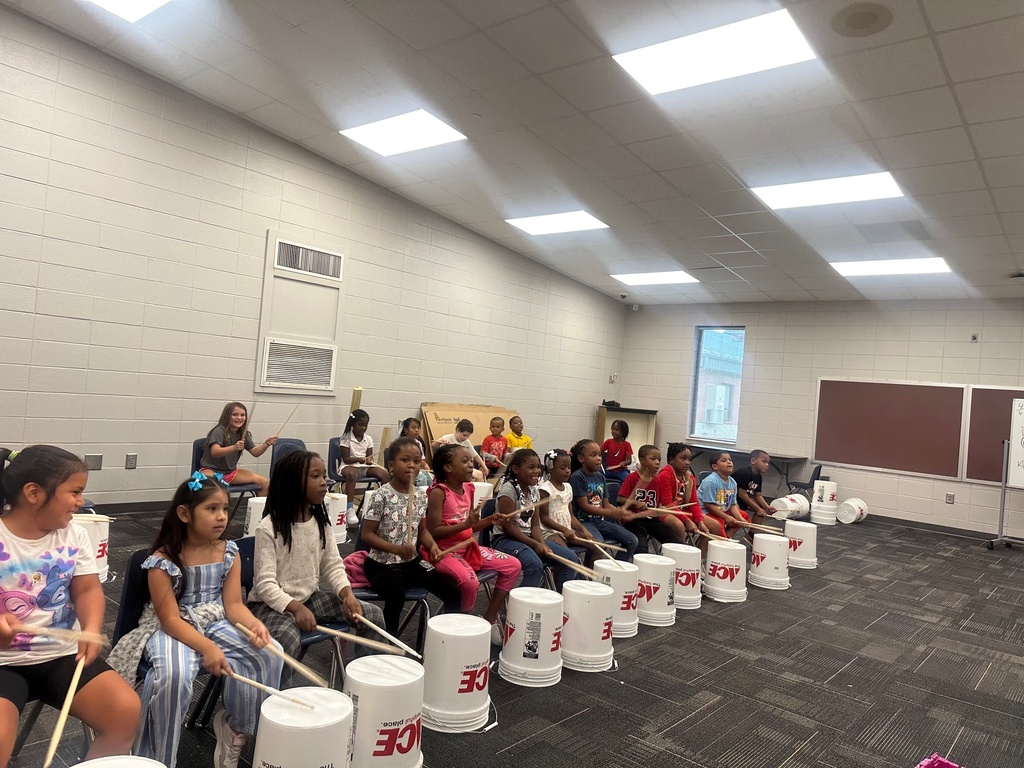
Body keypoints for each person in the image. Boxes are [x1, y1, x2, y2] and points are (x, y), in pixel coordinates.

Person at [108, 474, 281, 768]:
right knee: (173, 676)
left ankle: (234, 727)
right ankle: (157, 758)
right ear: (185, 514)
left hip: (215, 619)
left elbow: (234, 606)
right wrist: (208, 648)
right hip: (172, 627)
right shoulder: (162, 560)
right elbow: (170, 621)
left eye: (225, 509)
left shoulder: (228, 551)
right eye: (212, 509)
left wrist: (254, 625)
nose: (222, 517)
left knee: (268, 651)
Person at [0, 447, 140, 768]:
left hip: (63, 657)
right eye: (75, 492)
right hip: (3, 664)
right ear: (34, 493)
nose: (80, 501)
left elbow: (88, 588)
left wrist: (90, 629)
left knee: (125, 711)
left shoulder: (74, 533)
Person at [247, 451, 385, 685]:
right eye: (315, 476)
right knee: (286, 638)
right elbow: (264, 584)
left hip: (308, 598)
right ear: (293, 483)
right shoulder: (268, 528)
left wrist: (347, 594)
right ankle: (280, 701)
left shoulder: (320, 521)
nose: (324, 482)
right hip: (270, 606)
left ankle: (365, 684)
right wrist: (295, 608)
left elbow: (332, 563)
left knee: (372, 615)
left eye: (323, 475)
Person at [361, 437, 462, 635]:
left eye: (416, 461)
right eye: (405, 460)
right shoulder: (381, 495)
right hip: (381, 565)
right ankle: (390, 643)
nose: (411, 466)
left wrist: (433, 546)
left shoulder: (420, 495)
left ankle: (445, 639)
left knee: (453, 592)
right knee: (396, 595)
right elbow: (366, 535)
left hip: (411, 563)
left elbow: (422, 530)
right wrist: (396, 549)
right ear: (391, 465)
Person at [426, 445, 521, 645]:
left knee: (513, 565)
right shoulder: (438, 492)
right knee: (470, 583)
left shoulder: (468, 488)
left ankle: (490, 618)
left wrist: (489, 520)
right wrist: (465, 524)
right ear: (447, 468)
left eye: (471, 461)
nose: (472, 466)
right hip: (443, 551)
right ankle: (463, 628)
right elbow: (433, 531)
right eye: (465, 461)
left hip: (466, 548)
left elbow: (468, 526)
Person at [491, 450, 583, 593]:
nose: (537, 471)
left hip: (528, 538)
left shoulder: (534, 491)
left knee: (570, 559)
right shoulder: (508, 492)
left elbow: (535, 525)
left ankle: (557, 599)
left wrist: (540, 543)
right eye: (531, 467)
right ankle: (523, 605)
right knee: (534, 564)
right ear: (516, 469)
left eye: (538, 467)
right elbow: (509, 528)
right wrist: (536, 544)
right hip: (505, 539)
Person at [568, 439, 638, 560]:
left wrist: (619, 512)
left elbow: (606, 504)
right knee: (598, 544)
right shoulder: (577, 477)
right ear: (581, 459)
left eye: (599, 454)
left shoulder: (600, 476)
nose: (599, 458)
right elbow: (585, 506)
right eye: (593, 455)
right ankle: (590, 576)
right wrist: (612, 512)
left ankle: (613, 571)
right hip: (582, 522)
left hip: (599, 522)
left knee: (632, 540)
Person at [618, 445, 687, 555]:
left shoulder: (657, 481)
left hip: (651, 520)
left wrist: (661, 509)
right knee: (641, 547)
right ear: (641, 460)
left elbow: (658, 504)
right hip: (633, 520)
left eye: (659, 460)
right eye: (653, 459)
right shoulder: (632, 478)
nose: (657, 462)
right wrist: (636, 503)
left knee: (676, 542)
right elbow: (620, 499)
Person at [200, 402, 277, 496]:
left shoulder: (243, 433)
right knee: (212, 485)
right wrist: (233, 448)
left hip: (230, 473)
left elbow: (255, 452)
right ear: (227, 416)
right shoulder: (219, 430)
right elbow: (215, 452)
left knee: (263, 482)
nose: (239, 418)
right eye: (235, 415)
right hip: (211, 471)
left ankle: (262, 510)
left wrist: (266, 444)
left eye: (242, 415)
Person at [538, 449, 600, 558]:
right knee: (567, 556)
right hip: (550, 532)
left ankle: (589, 574)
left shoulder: (568, 487)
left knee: (597, 546)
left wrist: (583, 530)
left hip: (567, 531)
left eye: (569, 467)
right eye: (562, 468)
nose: (567, 471)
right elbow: (544, 518)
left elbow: (571, 516)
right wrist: (563, 530)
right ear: (550, 469)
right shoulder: (545, 489)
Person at [652, 443, 712, 553]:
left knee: (715, 526)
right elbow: (667, 503)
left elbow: (694, 502)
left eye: (689, 459)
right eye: (683, 459)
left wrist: (700, 522)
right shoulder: (665, 475)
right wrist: (687, 521)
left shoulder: (690, 477)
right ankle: (681, 557)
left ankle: (699, 558)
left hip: (682, 511)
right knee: (679, 525)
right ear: (671, 460)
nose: (687, 462)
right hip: (663, 510)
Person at [338, 409, 390, 526]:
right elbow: (346, 459)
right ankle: (350, 508)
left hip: (363, 467)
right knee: (352, 474)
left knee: (385, 474)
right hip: (349, 466)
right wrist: (358, 459)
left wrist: (369, 460)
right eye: (360, 424)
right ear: (353, 424)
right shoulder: (346, 438)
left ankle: (385, 504)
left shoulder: (368, 439)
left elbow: (369, 457)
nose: (363, 428)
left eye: (365, 425)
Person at [697, 452, 750, 543]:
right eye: (724, 460)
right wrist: (726, 517)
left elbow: (733, 505)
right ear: (715, 467)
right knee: (719, 524)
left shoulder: (733, 482)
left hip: (722, 509)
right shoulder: (711, 481)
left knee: (744, 516)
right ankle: (723, 541)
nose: (729, 462)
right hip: (706, 511)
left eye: (730, 460)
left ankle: (728, 537)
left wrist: (740, 519)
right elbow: (708, 505)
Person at [733, 450, 773, 525]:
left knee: (763, 510)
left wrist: (767, 507)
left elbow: (758, 495)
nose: (767, 465)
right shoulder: (744, 473)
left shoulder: (759, 477)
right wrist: (757, 509)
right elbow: (742, 495)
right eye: (764, 462)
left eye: (768, 463)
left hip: (743, 498)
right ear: (753, 461)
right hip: (734, 499)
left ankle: (751, 535)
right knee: (759, 510)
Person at [398, 417, 432, 486]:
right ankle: (420, 496)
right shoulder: (401, 443)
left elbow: (421, 460)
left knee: (431, 478)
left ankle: (429, 496)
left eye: (418, 428)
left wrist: (425, 464)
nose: (416, 430)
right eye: (413, 428)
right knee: (422, 478)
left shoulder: (418, 443)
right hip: (406, 469)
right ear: (406, 429)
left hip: (417, 469)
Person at [600, 420, 633, 484]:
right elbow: (599, 452)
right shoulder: (608, 442)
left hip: (620, 471)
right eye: (612, 429)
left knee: (629, 480)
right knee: (595, 475)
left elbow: (629, 461)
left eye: (616, 430)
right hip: (608, 470)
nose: (613, 431)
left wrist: (624, 462)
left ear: (623, 432)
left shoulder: (627, 445)